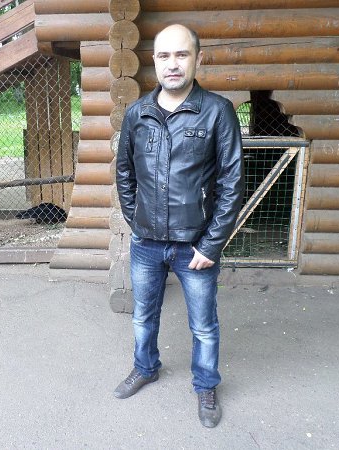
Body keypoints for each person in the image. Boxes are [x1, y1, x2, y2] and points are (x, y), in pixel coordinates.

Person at [114, 24, 245, 428]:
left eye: (182, 54)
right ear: (155, 61)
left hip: (196, 245)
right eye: (165, 56)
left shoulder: (218, 111)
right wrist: (137, 219)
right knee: (143, 315)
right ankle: (145, 367)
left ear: (198, 59)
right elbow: (124, 173)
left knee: (203, 325)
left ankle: (206, 385)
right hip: (146, 243)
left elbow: (232, 182)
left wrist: (212, 244)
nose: (173, 64)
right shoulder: (137, 113)